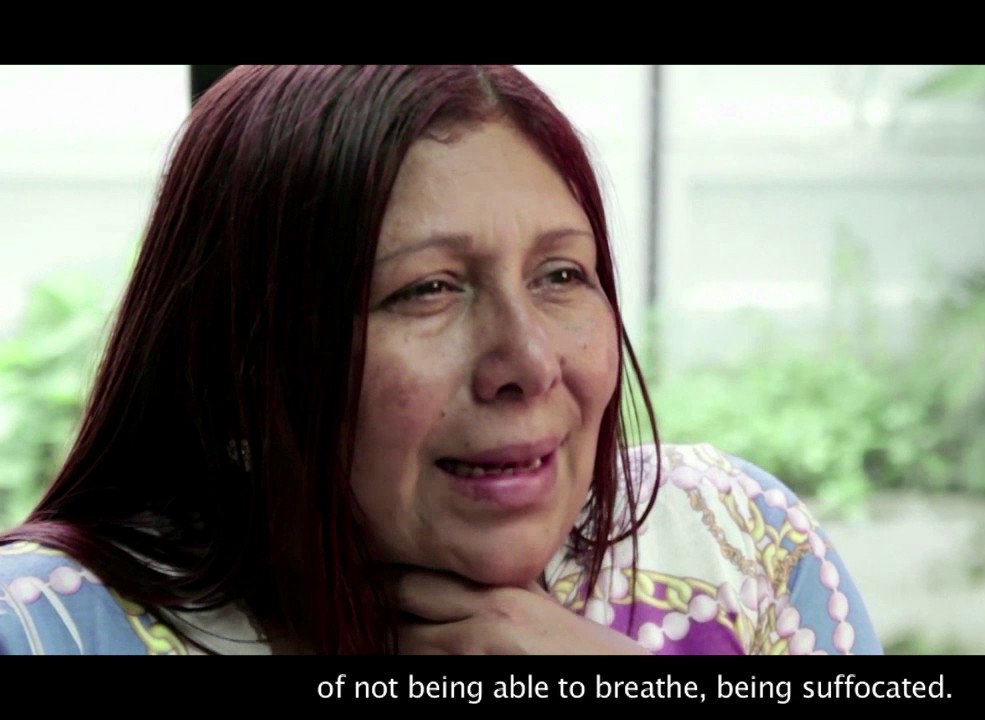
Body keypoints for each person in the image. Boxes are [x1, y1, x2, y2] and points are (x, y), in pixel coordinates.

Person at [0, 65, 882, 656]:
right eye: (427, 290)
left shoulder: (738, 546)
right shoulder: (48, 630)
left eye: (561, 274)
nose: (528, 362)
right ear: (240, 363)